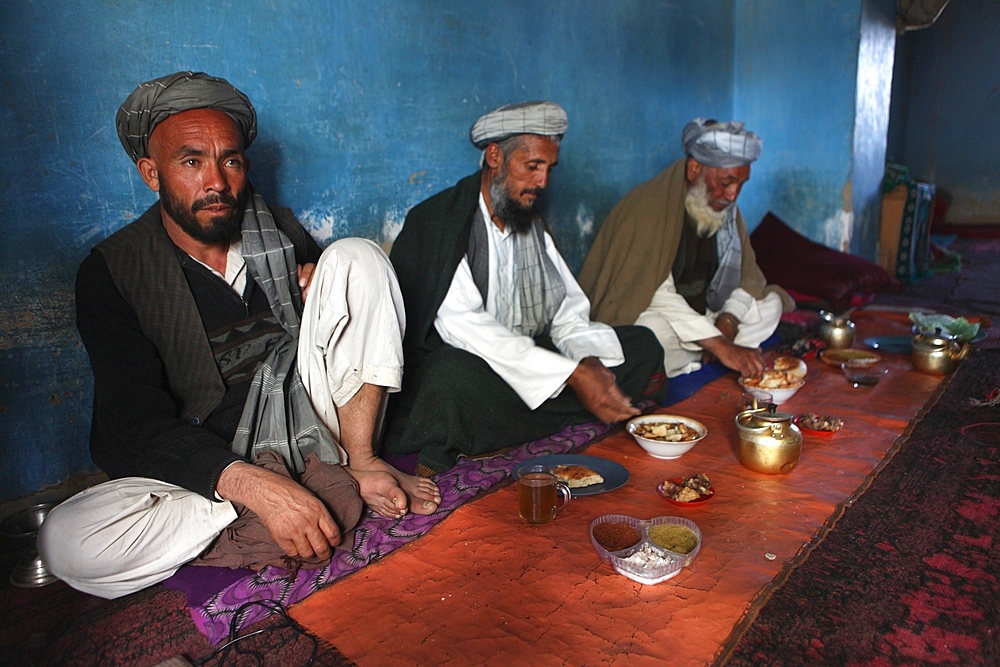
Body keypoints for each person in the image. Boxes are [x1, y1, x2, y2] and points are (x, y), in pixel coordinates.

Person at [38, 71, 439, 599]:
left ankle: (357, 463)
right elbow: (129, 424)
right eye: (191, 161)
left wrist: (320, 287)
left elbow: (340, 334)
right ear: (151, 173)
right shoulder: (114, 271)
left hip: (310, 419)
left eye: (230, 160)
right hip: (214, 451)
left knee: (358, 256)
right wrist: (254, 485)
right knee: (65, 541)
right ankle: (308, 498)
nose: (217, 181)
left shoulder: (277, 232)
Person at [383, 101, 666, 476]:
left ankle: (517, 422)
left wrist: (587, 362)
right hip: (469, 367)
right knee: (450, 380)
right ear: (495, 156)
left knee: (642, 344)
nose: (543, 182)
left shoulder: (529, 223)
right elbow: (467, 329)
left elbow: (567, 312)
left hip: (529, 362)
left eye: (549, 169)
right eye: (532, 166)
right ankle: (549, 409)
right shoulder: (439, 223)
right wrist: (571, 376)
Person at [578, 118, 794, 379]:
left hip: (707, 314)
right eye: (726, 183)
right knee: (649, 335)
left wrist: (727, 322)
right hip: (663, 313)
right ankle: (711, 355)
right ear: (694, 169)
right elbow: (655, 292)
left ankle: (706, 355)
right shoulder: (647, 207)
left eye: (741, 184)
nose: (733, 195)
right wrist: (719, 343)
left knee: (771, 305)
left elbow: (746, 279)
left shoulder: (727, 211)